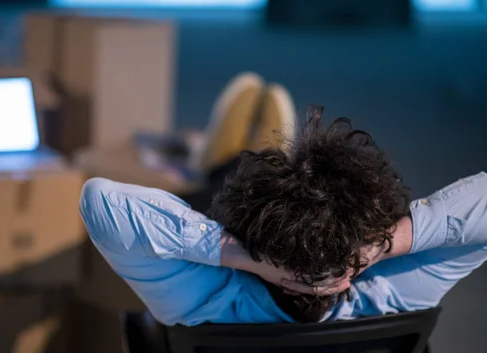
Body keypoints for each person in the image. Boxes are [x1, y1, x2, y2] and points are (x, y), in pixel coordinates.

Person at [79, 105, 487, 325]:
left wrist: (250, 256)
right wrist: (376, 248)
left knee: (222, 181)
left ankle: (233, 141)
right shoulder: (391, 299)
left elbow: (100, 201)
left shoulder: (205, 303)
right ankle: (258, 125)